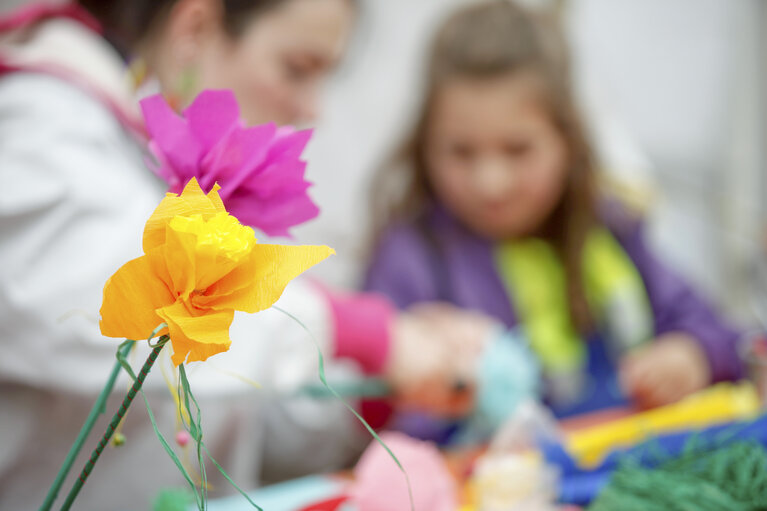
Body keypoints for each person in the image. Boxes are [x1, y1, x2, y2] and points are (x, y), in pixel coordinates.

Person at [0, 1, 487, 508]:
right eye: (297, 68)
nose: (312, 107)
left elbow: (255, 429)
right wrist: (361, 334)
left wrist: (380, 385)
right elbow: (115, 299)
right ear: (197, 27)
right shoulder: (39, 123)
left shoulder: (163, 165)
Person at [364, 0, 743, 421]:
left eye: (518, 149)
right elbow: (379, 412)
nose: (492, 182)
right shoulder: (411, 259)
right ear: (423, 146)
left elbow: (717, 328)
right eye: (461, 152)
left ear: (567, 139)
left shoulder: (607, 227)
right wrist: (443, 385)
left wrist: (693, 354)